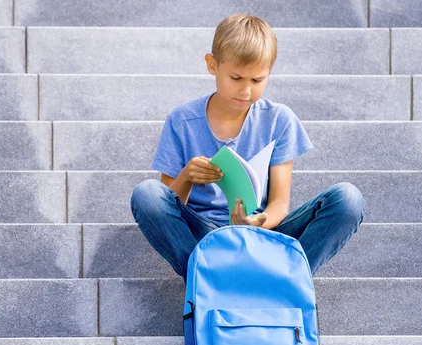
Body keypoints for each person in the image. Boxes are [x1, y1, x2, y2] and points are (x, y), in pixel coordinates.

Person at [130, 14, 365, 283]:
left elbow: (279, 203)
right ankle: (206, 278)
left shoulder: (279, 119)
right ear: (212, 65)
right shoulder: (182, 121)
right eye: (236, 77)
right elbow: (167, 204)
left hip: (262, 232)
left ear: (269, 73)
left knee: (348, 199)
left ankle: (285, 281)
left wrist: (258, 222)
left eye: (257, 81)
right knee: (146, 193)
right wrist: (186, 177)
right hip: (203, 236)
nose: (246, 90)